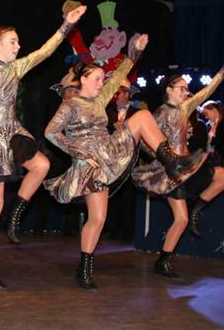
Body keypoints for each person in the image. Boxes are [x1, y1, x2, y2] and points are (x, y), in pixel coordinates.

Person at [44, 35, 208, 289]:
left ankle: (171, 161)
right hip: (90, 164)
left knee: (142, 116)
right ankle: (84, 269)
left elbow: (121, 72)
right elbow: (50, 132)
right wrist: (78, 152)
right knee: (98, 218)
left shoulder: (100, 100)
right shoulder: (70, 104)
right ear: (83, 80)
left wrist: (135, 51)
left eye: (102, 80)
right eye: (97, 79)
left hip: (109, 152)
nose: (101, 84)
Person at [0, 5, 87, 289]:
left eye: (18, 42)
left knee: (42, 165)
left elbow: (45, 51)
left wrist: (66, 25)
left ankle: (16, 212)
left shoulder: (17, 67)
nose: (18, 46)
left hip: (14, 132)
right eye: (13, 41)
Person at [132, 46, 224, 277]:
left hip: (190, 166)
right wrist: (164, 153)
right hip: (173, 172)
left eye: (186, 88)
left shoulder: (186, 108)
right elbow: (142, 143)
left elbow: (210, 88)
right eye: (181, 88)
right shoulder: (158, 114)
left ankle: (197, 209)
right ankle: (163, 261)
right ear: (169, 90)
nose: (186, 91)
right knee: (180, 220)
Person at [105, 79, 140, 241]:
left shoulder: (137, 113)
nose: (115, 96)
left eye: (118, 93)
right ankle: (111, 229)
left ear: (126, 94)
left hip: (130, 161)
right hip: (111, 161)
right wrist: (113, 129)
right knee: (111, 195)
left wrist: (126, 130)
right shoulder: (107, 112)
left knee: (128, 197)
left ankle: (128, 231)